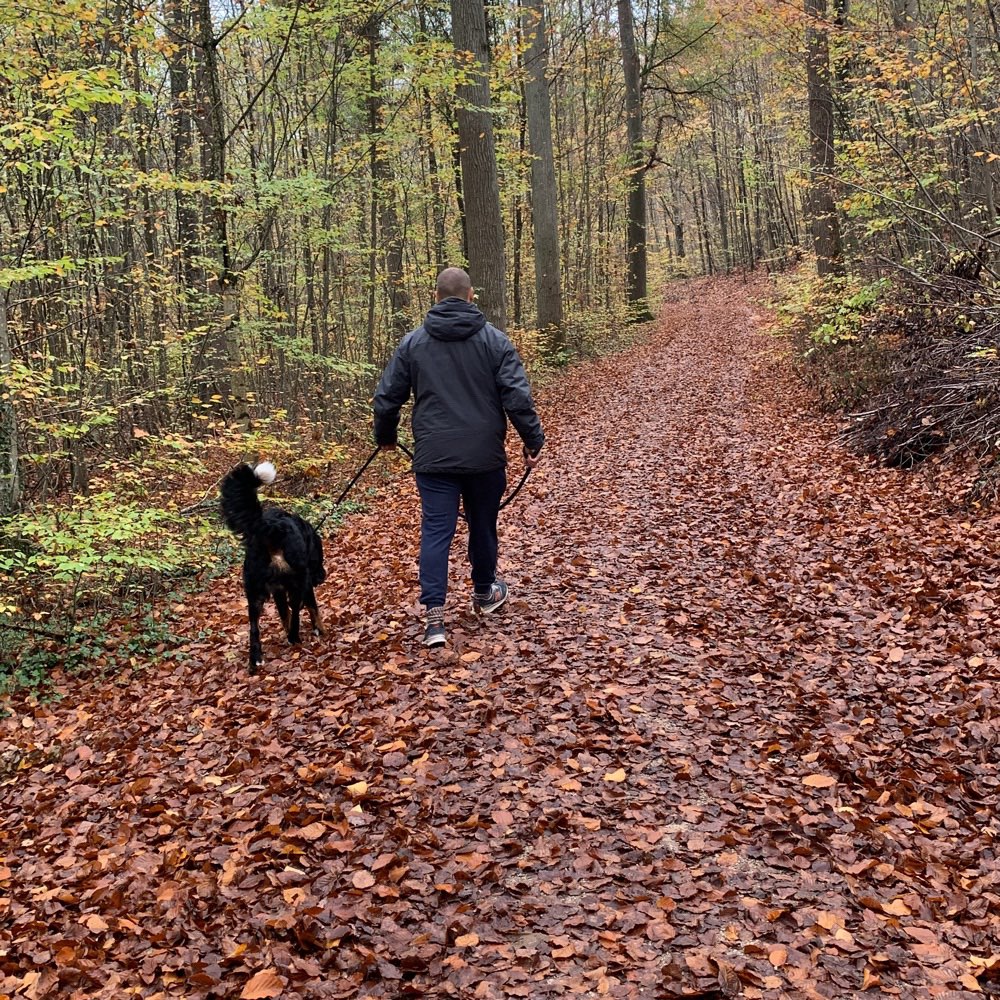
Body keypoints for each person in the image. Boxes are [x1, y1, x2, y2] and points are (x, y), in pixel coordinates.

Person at [373, 267, 545, 648]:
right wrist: (532, 442)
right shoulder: (495, 341)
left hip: (434, 457)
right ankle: (484, 595)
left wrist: (385, 436)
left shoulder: (413, 344)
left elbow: (387, 397)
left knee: (436, 531)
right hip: (484, 456)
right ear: (471, 296)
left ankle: (435, 620)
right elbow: (517, 397)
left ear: (436, 297)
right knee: (483, 524)